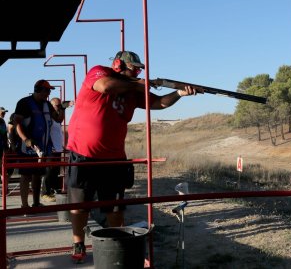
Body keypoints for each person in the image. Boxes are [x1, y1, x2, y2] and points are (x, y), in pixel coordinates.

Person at [66, 50, 201, 263]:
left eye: (139, 69)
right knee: (80, 204)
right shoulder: (100, 72)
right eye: (134, 68)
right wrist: (139, 83)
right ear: (118, 64)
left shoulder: (132, 89)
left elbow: (159, 103)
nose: (138, 71)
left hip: (115, 158)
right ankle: (78, 242)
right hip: (84, 154)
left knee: (116, 207)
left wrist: (180, 94)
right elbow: (106, 86)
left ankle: (114, 245)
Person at [14, 80, 65, 209]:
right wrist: (26, 140)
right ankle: (24, 205)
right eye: (46, 90)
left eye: (49, 91)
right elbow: (17, 123)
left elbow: (58, 119)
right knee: (25, 175)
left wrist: (62, 108)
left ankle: (36, 203)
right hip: (28, 147)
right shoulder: (24, 103)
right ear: (38, 90)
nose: (48, 93)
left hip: (43, 147)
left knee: (37, 174)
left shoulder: (47, 104)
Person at [41, 98, 74, 202]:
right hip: (51, 148)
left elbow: (57, 133)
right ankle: (45, 193)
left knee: (55, 171)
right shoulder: (48, 117)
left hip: (57, 148)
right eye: (56, 106)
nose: (58, 108)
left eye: (59, 106)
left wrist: (61, 146)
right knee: (49, 171)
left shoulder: (57, 118)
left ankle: (52, 190)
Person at [0, 107, 9, 182]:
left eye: (4, 112)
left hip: (2, 146)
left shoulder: (2, 121)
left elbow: (4, 134)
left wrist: (6, 146)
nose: (4, 114)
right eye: (2, 112)